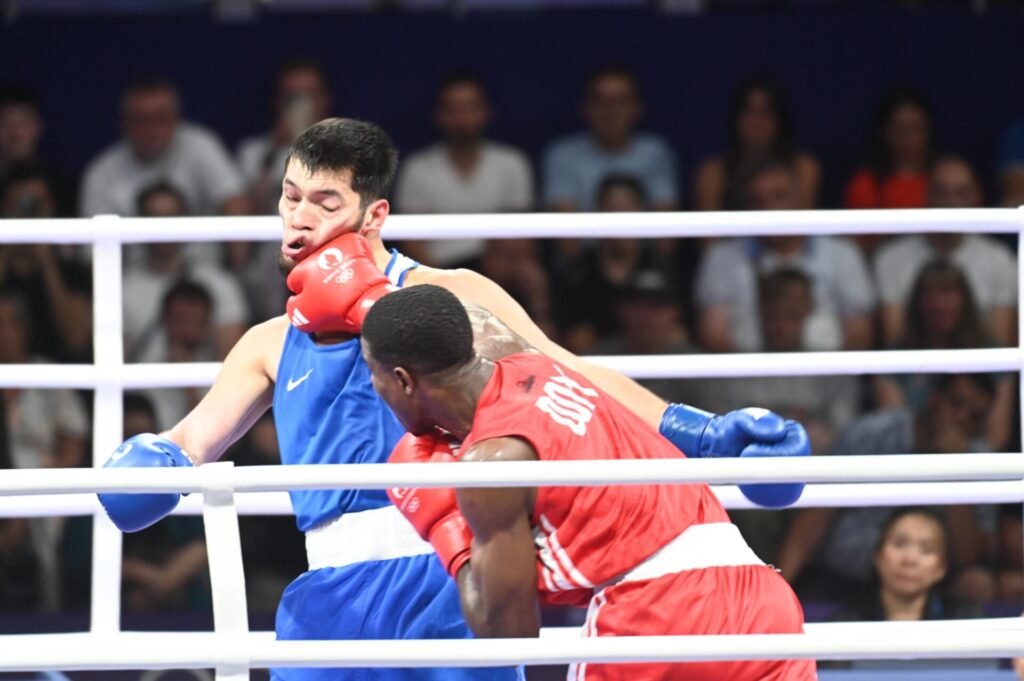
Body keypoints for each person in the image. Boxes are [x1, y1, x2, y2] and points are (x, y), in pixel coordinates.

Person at [96, 118, 808, 680]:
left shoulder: (454, 296)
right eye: (289, 196)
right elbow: (191, 443)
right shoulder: (267, 341)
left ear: (373, 214)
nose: (298, 219)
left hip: (448, 570)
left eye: (324, 201)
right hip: (327, 596)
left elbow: (572, 376)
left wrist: (700, 432)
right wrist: (150, 461)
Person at [361, 284, 816, 681]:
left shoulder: (492, 462)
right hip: (759, 597)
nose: (373, 385)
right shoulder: (521, 357)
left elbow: (508, 635)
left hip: (653, 617)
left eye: (372, 372)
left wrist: (447, 528)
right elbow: (464, 312)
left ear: (402, 379)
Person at [394, 71, 534, 268]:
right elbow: (411, 243)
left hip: (500, 269)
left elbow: (523, 237)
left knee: (532, 275)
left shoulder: (512, 162)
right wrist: (442, 280)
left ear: (487, 111)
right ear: (438, 115)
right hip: (439, 267)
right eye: (453, 109)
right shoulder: (418, 168)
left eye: (470, 108)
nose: (462, 118)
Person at [79, 77, 248, 219]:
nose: (151, 130)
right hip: (132, 260)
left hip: (201, 259)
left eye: (160, 118)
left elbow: (234, 202)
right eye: (140, 120)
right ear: (123, 123)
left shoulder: (200, 146)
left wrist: (239, 259)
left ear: (176, 118)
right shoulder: (101, 173)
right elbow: (93, 250)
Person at [542, 65, 678, 212]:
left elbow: (664, 223)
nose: (610, 111)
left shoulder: (656, 152)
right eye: (600, 101)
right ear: (585, 107)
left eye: (620, 101)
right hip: (587, 236)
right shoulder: (562, 155)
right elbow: (565, 228)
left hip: (640, 235)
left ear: (637, 107)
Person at [693, 73, 819, 211]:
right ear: (736, 118)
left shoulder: (803, 167)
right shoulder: (714, 173)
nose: (757, 121)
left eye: (766, 111)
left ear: (781, 118)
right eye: (749, 111)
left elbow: (801, 228)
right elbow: (709, 231)